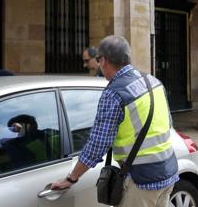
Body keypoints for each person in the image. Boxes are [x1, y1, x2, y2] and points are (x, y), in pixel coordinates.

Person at [47, 35, 178, 207]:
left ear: (103, 61)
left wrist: (71, 178)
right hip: (169, 173)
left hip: (142, 181)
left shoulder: (114, 94)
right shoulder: (153, 81)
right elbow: (167, 124)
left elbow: (97, 145)